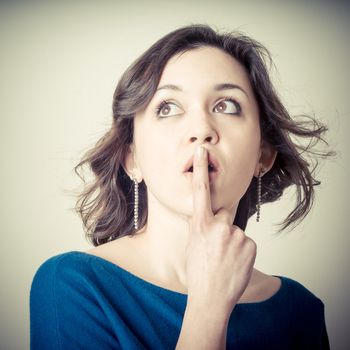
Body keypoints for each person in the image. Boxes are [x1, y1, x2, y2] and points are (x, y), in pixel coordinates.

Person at [30, 24, 333, 349]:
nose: (201, 129)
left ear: (264, 155)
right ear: (131, 159)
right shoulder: (73, 285)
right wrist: (208, 307)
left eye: (227, 105)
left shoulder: (301, 312)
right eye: (168, 107)